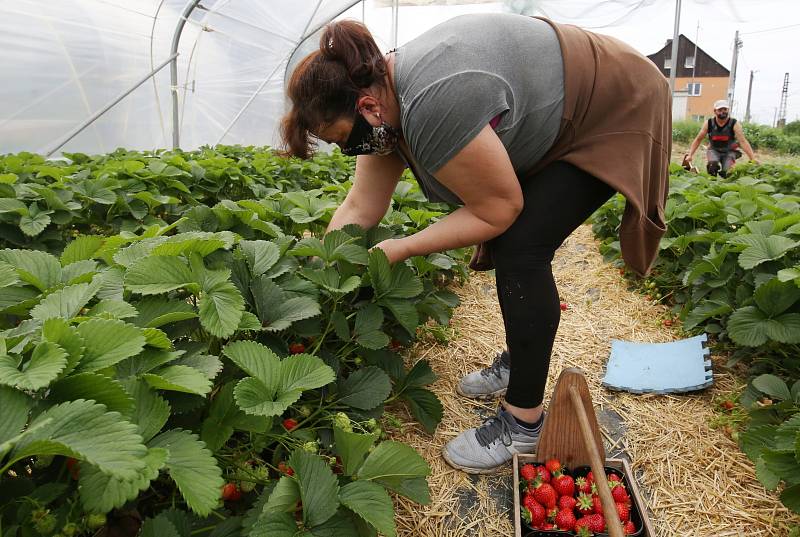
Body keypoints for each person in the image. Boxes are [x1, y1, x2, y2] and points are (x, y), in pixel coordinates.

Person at [281, 13, 670, 474]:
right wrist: (325, 267)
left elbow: (497, 208)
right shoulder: (384, 102)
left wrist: (403, 247)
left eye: (344, 140)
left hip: (614, 101)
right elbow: (360, 209)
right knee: (515, 241)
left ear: (366, 108)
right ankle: (521, 359)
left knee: (521, 246)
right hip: (571, 99)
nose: (352, 151)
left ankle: (523, 421)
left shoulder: (432, 103)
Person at [684, 99, 757, 177]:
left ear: (728, 110)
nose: (723, 112)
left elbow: (743, 141)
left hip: (729, 152)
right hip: (713, 150)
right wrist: (690, 155)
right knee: (712, 166)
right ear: (715, 111)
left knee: (728, 172)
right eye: (720, 110)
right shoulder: (709, 123)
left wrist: (752, 159)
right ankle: (712, 183)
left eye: (725, 109)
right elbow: (698, 139)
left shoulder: (734, 124)